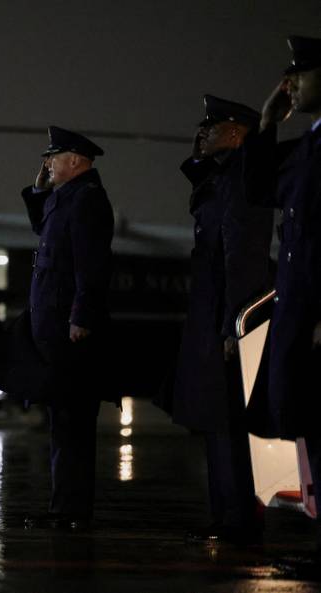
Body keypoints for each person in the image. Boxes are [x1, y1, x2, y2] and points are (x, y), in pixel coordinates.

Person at [165, 95, 272, 544]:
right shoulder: (221, 178)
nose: (202, 134)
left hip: (228, 317)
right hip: (212, 314)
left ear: (235, 133)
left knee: (231, 422)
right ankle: (225, 514)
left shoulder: (240, 180)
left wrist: (235, 324)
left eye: (211, 127)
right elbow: (199, 191)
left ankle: (239, 518)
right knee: (215, 418)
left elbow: (240, 257)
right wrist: (198, 155)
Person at [244, 35, 321, 575]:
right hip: (301, 310)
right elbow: (260, 189)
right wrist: (267, 124)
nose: (290, 83)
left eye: (302, 73)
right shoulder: (308, 145)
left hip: (317, 314)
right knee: (311, 427)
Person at [20, 126, 115, 530]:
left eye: (53, 158)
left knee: (73, 424)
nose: (47, 163)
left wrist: (81, 316)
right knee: (63, 422)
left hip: (69, 330)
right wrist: (40, 187)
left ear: (75, 160)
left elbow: (90, 265)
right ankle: (65, 507)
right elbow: (44, 229)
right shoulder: (67, 197)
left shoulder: (87, 200)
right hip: (57, 326)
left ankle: (72, 511)